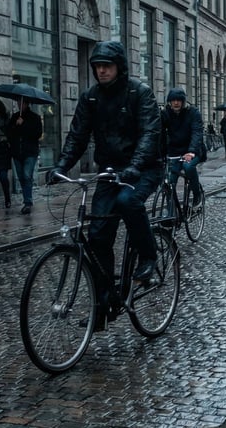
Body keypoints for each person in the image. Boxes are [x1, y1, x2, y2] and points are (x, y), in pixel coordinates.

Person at [45, 40, 162, 329]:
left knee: (127, 202)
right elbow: (77, 135)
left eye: (106, 66)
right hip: (109, 171)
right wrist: (61, 166)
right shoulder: (91, 97)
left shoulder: (140, 93)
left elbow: (149, 134)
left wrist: (135, 166)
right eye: (97, 66)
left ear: (119, 67)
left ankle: (148, 256)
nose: (101, 71)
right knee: (97, 236)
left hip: (143, 167)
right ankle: (105, 303)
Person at [161, 88, 205, 208]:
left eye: (179, 100)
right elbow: (159, 133)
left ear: (183, 101)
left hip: (192, 150)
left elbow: (197, 132)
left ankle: (197, 194)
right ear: (169, 102)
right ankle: (170, 213)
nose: (176, 103)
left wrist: (191, 151)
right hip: (174, 151)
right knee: (169, 182)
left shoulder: (193, 112)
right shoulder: (165, 114)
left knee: (188, 166)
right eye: (173, 100)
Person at [7, 97, 43, 215]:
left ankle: (28, 202)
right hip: (17, 152)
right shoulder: (15, 117)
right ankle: (26, 198)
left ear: (27, 104)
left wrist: (24, 125)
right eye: (18, 102)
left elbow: (37, 134)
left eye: (22, 103)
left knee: (27, 175)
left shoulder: (35, 117)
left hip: (30, 152)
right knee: (21, 176)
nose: (19, 105)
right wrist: (16, 125)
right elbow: (9, 134)